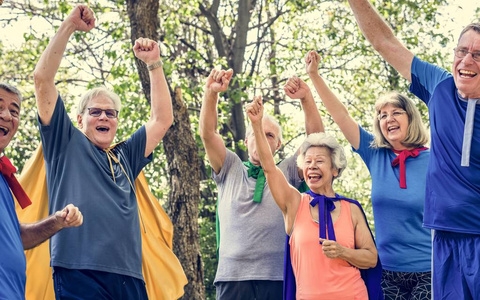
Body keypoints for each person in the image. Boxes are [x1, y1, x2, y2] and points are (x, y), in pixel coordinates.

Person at [33, 5, 173, 299]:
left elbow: (162, 120)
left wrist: (154, 63)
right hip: (78, 271)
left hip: (129, 276)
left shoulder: (125, 155)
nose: (105, 117)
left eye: (111, 113)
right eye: (95, 112)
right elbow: (42, 80)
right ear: (80, 119)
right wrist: (70, 25)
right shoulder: (65, 142)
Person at [346, 0, 480, 298]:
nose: (467, 60)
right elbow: (384, 43)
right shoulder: (440, 85)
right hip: (443, 239)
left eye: (478, 54)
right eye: (462, 51)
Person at [304, 50, 431, 299]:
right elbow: (341, 116)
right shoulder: (376, 154)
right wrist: (314, 76)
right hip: (387, 272)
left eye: (396, 113)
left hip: (428, 269)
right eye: (382, 115)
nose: (388, 119)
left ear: (410, 118)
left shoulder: (434, 160)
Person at [199, 69, 323, 299]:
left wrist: (306, 98)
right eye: (257, 133)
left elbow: (316, 140)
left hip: (278, 277)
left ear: (278, 145)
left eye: (270, 135)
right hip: (232, 278)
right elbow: (207, 133)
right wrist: (211, 94)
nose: (262, 138)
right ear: (246, 141)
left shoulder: (286, 171)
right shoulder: (230, 166)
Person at [246, 95, 380, 299]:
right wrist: (256, 125)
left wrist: (343, 252)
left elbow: (371, 258)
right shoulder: (294, 203)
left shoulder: (351, 209)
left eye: (320, 161)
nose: (312, 166)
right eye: (307, 162)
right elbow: (269, 167)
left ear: (335, 169)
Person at [0, 82, 83, 300]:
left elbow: (17, 237)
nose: (7, 116)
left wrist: (57, 221)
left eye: (14, 111)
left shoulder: (3, 180)